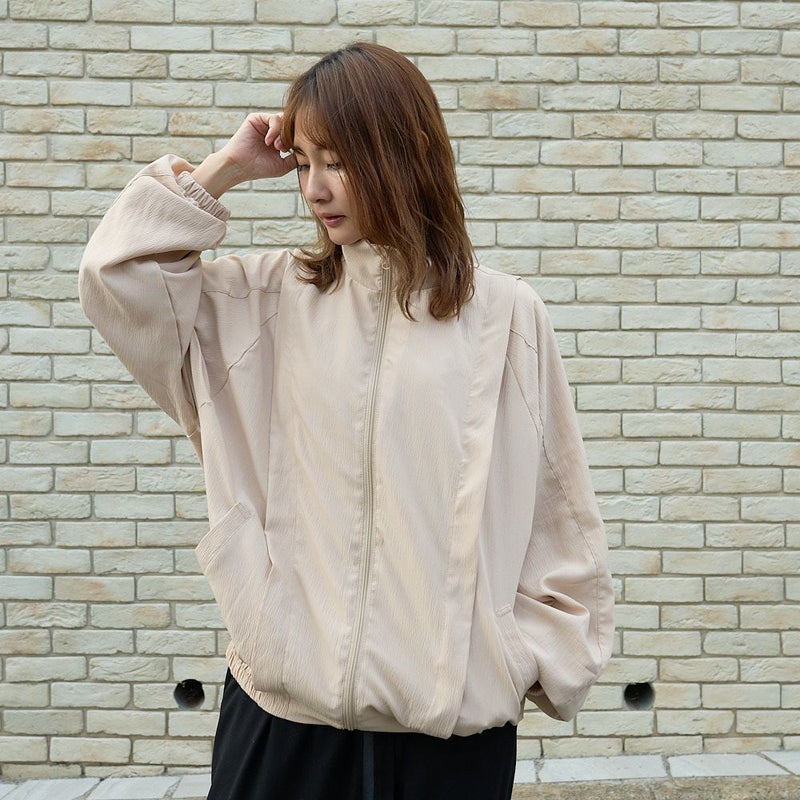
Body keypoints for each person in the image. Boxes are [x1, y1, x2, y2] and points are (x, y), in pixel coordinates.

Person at [80, 42, 614, 800]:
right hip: (281, 729)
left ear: (406, 151)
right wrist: (225, 168)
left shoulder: (504, 315)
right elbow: (117, 275)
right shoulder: (258, 304)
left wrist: (521, 660)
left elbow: (559, 510)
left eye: (336, 161)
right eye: (303, 163)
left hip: (448, 745)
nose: (313, 188)